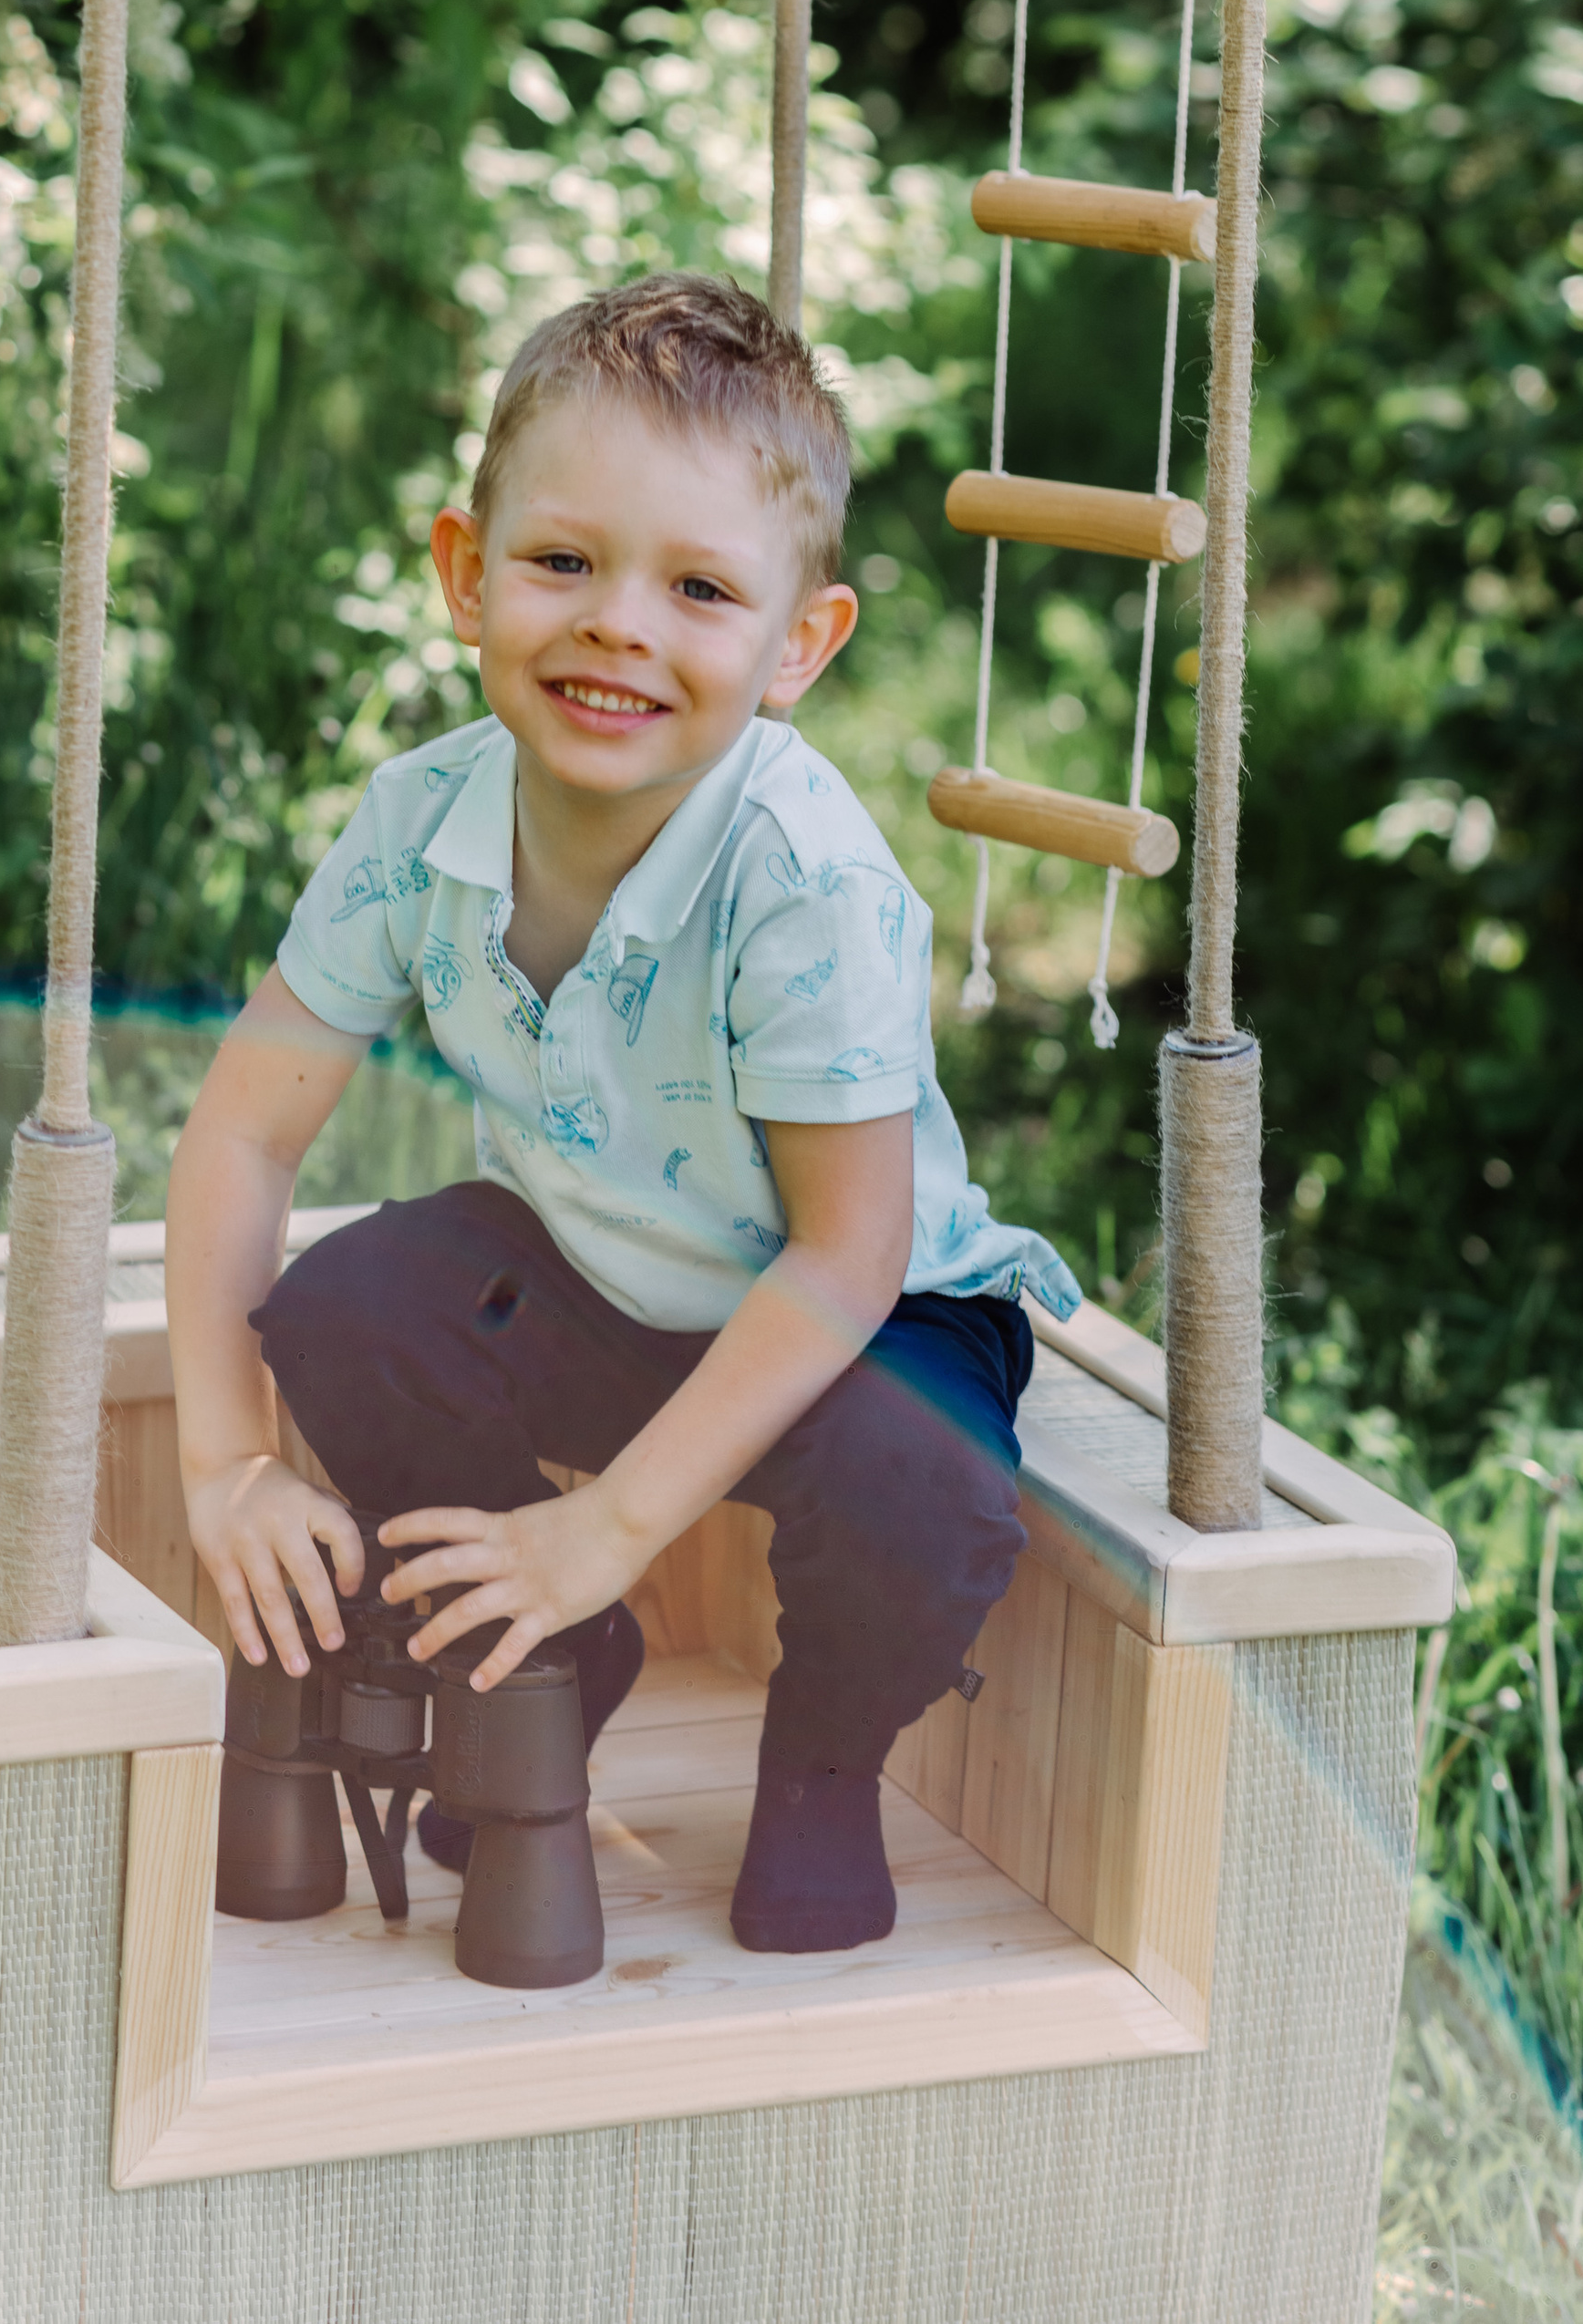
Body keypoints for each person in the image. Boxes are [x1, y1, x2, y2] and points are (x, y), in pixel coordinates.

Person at [166, 270, 1080, 1954]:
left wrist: (611, 1523)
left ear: (799, 644)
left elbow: (844, 1251)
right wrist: (221, 1463)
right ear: (466, 574)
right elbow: (242, 1135)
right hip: (605, 1276)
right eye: (563, 562)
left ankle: (823, 1760)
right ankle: (549, 1651)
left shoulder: (800, 880)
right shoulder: (419, 820)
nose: (618, 625)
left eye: (702, 587)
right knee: (356, 1301)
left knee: (923, 1482)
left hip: (863, 1318)